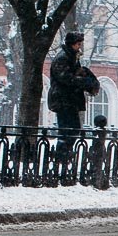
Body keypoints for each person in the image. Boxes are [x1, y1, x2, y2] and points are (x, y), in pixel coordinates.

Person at [47, 31, 99, 161]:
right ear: (72, 44)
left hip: (69, 100)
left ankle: (65, 155)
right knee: (67, 131)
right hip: (63, 101)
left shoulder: (71, 57)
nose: (79, 47)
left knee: (73, 129)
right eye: (78, 44)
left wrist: (84, 75)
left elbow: (73, 75)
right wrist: (84, 82)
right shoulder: (63, 58)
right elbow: (67, 78)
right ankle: (61, 157)